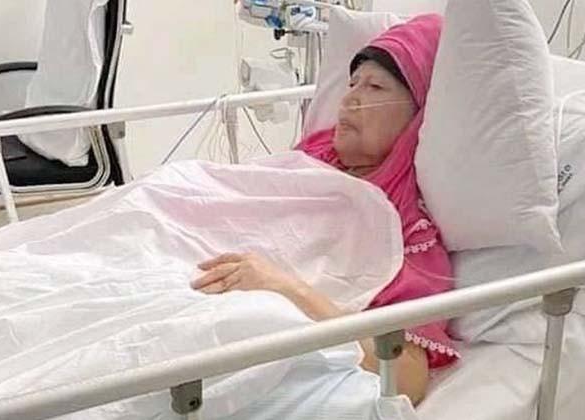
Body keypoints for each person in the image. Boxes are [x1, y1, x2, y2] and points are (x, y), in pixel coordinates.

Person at [192, 14, 457, 405]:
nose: (349, 99)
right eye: (352, 84)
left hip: (241, 325)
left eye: (375, 86)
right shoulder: (306, 161)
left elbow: (406, 376)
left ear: (419, 113)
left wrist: (286, 287)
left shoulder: (405, 233)